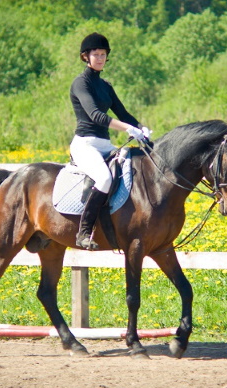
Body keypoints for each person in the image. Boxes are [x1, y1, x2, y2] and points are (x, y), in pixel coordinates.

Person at [69, 32, 150, 250]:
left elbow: (123, 113)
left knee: (133, 170)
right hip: (85, 144)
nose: (100, 58)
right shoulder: (80, 83)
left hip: (105, 145)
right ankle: (83, 232)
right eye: (96, 54)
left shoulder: (106, 85)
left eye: (103, 54)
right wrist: (128, 129)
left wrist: (142, 129)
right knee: (104, 178)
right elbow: (96, 116)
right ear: (86, 56)